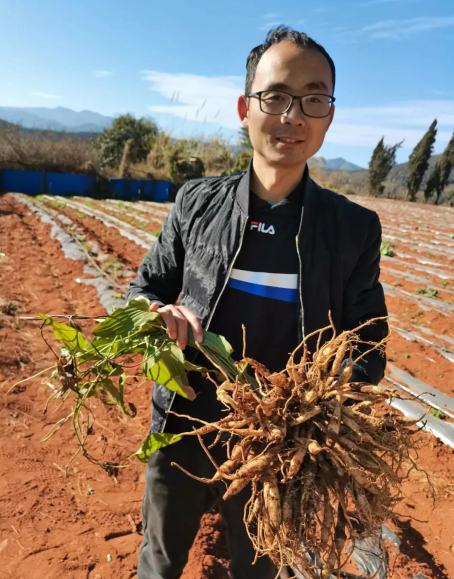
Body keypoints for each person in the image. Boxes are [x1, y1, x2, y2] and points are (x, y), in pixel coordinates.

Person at [127, 26, 388, 579]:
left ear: (329, 116)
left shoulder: (353, 229)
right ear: (246, 107)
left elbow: (368, 342)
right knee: (159, 561)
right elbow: (143, 291)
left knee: (261, 570)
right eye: (276, 97)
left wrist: (315, 401)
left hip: (278, 452)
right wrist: (157, 316)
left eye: (313, 98)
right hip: (183, 423)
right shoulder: (196, 202)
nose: (293, 115)